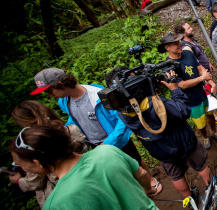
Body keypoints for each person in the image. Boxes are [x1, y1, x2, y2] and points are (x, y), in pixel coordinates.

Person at [29, 68, 161, 193]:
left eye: (49, 91)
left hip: (116, 139)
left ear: (59, 84)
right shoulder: (64, 101)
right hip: (95, 143)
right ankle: (137, 189)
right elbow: (75, 117)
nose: (49, 95)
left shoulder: (97, 94)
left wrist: (109, 142)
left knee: (135, 162)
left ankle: (150, 181)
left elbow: (122, 119)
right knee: (119, 168)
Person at [104, 66, 210, 200]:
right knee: (201, 165)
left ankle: (190, 201)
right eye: (133, 77)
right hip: (183, 141)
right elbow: (182, 111)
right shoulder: (152, 103)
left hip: (161, 150)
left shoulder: (123, 111)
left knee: (176, 175)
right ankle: (212, 190)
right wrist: (175, 89)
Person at [10, 126, 157, 210]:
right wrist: (148, 190)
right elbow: (143, 174)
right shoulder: (107, 151)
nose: (23, 169)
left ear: (37, 163)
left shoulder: (55, 204)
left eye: (22, 164)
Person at [9, 101, 86, 208]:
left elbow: (35, 182)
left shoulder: (35, 147)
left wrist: (18, 180)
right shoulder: (70, 130)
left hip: (59, 194)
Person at [159, 32, 217, 150]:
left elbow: (200, 68)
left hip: (203, 93)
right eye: (174, 43)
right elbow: (182, 85)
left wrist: (211, 82)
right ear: (167, 48)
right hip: (191, 101)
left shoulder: (188, 53)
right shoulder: (168, 66)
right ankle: (205, 137)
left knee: (210, 115)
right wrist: (202, 78)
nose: (179, 44)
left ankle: (214, 132)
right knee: (200, 123)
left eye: (178, 41)